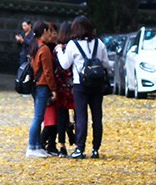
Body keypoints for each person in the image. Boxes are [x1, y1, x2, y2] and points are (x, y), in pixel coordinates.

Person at [56, 15, 110, 159]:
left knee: (81, 116)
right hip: (97, 84)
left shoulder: (73, 45)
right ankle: (95, 149)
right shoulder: (99, 43)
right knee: (97, 116)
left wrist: (59, 51)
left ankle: (80, 148)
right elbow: (106, 64)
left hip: (80, 84)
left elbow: (64, 64)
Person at [26, 21, 58, 158]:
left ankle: (37, 146)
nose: (50, 34)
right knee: (38, 117)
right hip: (43, 85)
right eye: (48, 31)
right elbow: (48, 72)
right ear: (44, 31)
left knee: (38, 117)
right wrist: (54, 89)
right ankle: (32, 146)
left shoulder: (35, 47)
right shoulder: (44, 49)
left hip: (36, 85)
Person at [45, 20, 75, 157]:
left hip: (60, 85)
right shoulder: (73, 46)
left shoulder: (57, 49)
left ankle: (62, 145)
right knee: (77, 115)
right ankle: (77, 142)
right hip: (74, 85)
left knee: (62, 116)